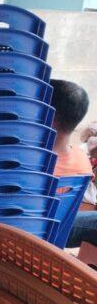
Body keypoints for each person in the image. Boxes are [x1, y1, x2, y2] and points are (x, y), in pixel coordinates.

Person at [47, 79, 97, 248]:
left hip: (21, 232)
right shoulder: (83, 162)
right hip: (55, 234)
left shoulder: (29, 161)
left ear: (51, 116)